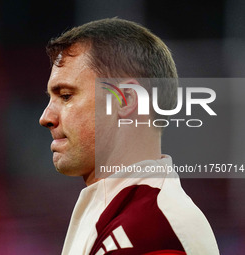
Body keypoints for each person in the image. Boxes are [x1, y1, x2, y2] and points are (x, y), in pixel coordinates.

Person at [39, 18, 219, 255]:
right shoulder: (125, 214)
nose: (45, 117)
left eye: (65, 96)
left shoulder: (154, 232)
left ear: (126, 100)